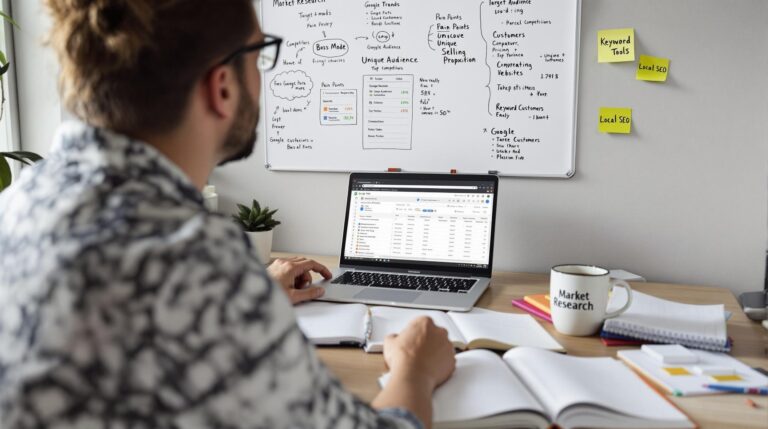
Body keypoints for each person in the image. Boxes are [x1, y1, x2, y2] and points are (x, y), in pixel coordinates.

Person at [0, 0, 455, 428]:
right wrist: (415, 369)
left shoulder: (20, 201)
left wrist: (254, 297)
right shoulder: (191, 256)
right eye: (260, 55)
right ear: (222, 87)